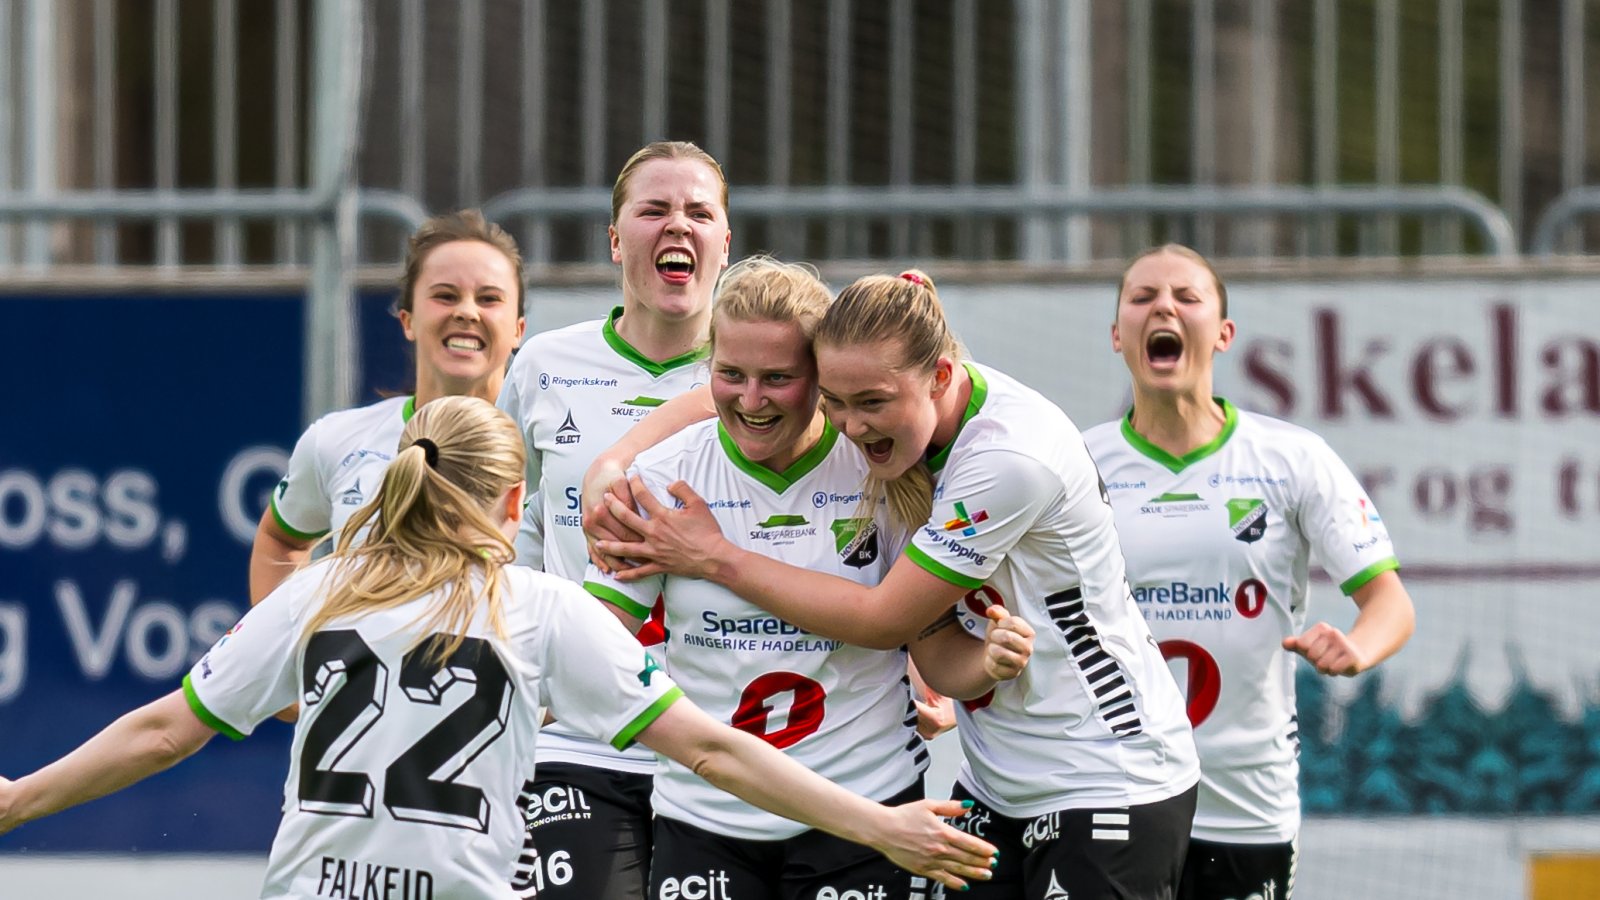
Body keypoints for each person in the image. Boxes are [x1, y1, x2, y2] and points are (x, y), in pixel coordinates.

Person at [0, 397, 1000, 898]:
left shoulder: (318, 593)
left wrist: (15, 799)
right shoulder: (539, 607)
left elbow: (163, 730)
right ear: (516, 504)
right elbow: (711, 749)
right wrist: (877, 824)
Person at [591, 270, 1200, 900]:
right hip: (994, 781)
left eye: (872, 403)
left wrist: (716, 557)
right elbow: (744, 391)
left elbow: (886, 620)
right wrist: (614, 460)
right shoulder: (898, 441)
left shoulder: (1006, 459)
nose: (851, 427)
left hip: (1104, 769)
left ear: (939, 376)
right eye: (837, 401)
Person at [1081, 245, 1416, 900]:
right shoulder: (1075, 464)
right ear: (1118, 334)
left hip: (1245, 800)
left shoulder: (1293, 458)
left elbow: (1390, 603)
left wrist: (1357, 647)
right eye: (1143, 297)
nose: (1164, 308)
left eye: (1187, 296)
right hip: (1111, 787)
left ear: (1224, 334)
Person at [494, 140, 727, 899]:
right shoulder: (541, 366)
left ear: (726, 240)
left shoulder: (768, 377)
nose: (677, 227)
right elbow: (508, 529)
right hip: (580, 735)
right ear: (615, 237)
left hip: (722, 734)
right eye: (653, 210)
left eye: (699, 212)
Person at [250, 208, 526, 601]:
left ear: (518, 329)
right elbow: (280, 541)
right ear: (407, 320)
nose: (466, 311)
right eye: (445, 296)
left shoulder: (552, 445)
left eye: (489, 298)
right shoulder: (336, 441)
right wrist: (284, 652)